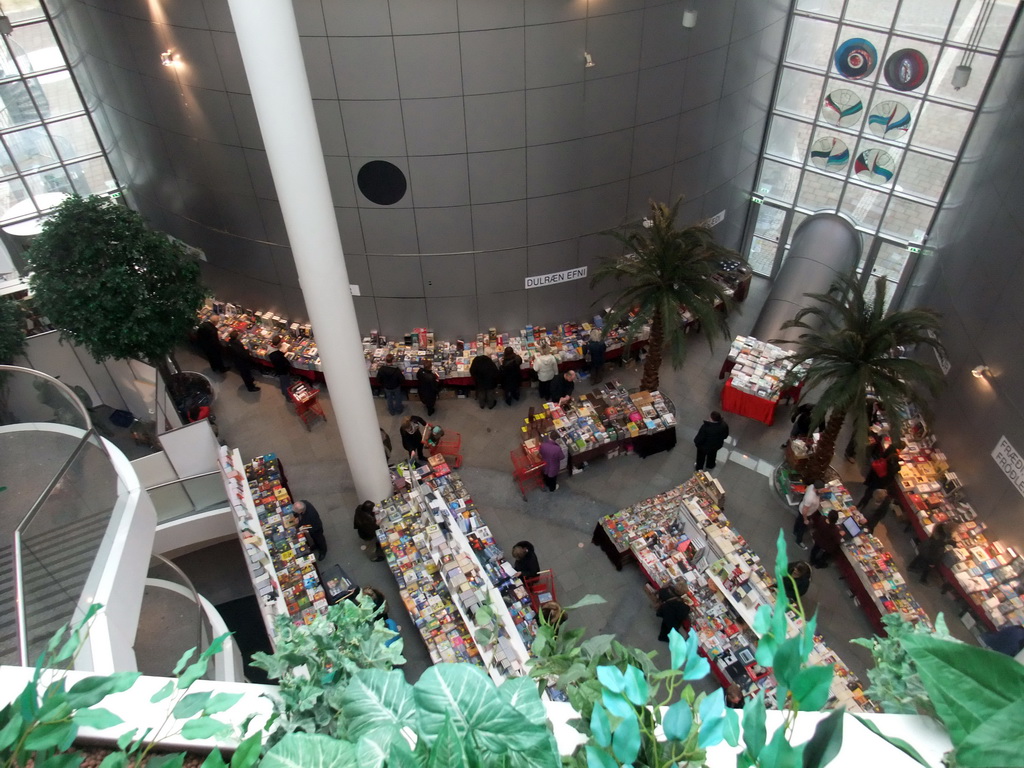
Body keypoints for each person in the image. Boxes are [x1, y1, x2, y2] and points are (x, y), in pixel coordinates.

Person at [858, 441, 902, 507]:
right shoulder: (896, 467)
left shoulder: (884, 462)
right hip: (882, 483)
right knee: (873, 493)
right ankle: (865, 504)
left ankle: (861, 504)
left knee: (868, 493)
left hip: (875, 479)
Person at [794, 481, 822, 549]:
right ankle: (798, 541)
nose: (822, 491)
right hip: (806, 513)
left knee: (798, 521)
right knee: (802, 528)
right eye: (821, 489)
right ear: (817, 489)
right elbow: (805, 510)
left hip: (802, 508)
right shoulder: (810, 498)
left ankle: (795, 531)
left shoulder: (812, 486)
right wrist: (805, 519)